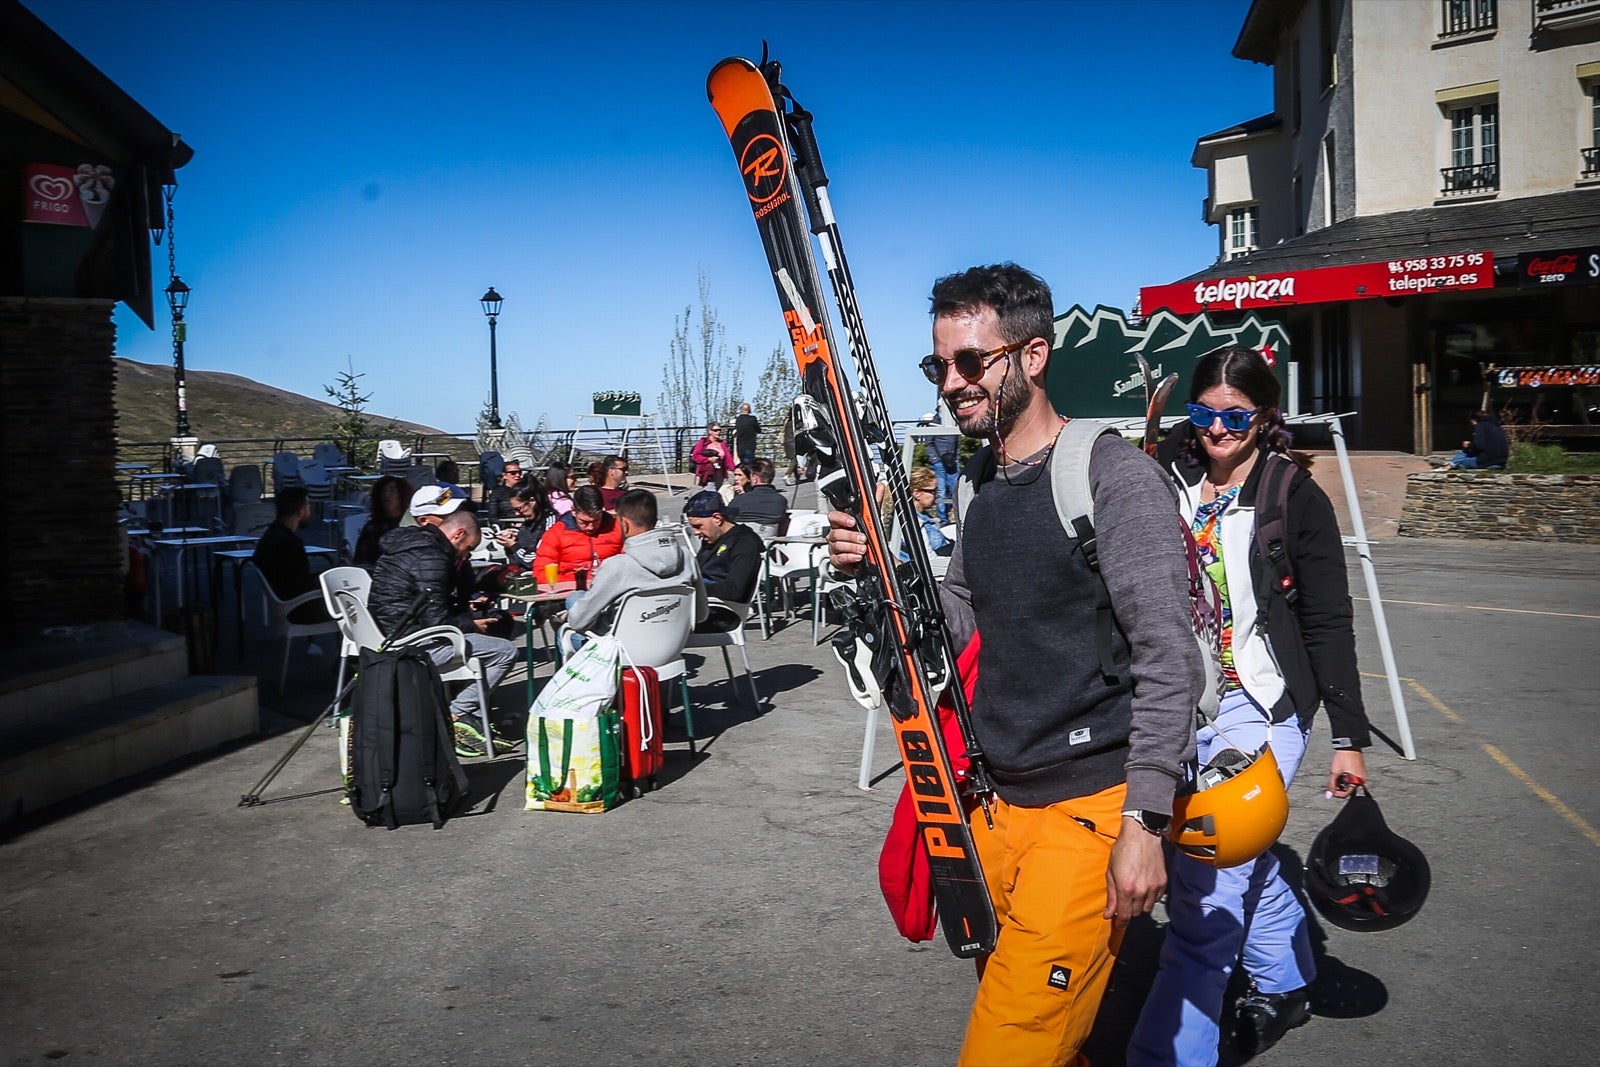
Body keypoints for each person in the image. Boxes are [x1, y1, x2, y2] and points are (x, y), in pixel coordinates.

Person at [826, 263, 1201, 1066]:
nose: (952, 383)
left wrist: (1145, 823)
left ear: (1033, 356)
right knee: (1046, 1030)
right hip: (995, 809)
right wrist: (882, 573)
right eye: (939, 366)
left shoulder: (1111, 476)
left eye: (971, 362)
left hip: (1090, 813)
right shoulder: (983, 478)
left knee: (1005, 1049)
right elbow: (962, 614)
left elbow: (1170, 656)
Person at [1129, 345, 1373, 1066]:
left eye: (1235, 415)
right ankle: (1289, 979)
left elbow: (1329, 621)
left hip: (1261, 707)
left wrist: (1349, 737)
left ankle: (1167, 1054)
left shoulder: (1293, 495)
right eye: (1203, 412)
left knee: (1203, 889)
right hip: (1179, 699)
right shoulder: (1165, 478)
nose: (1217, 428)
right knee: (1244, 858)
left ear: (1264, 416)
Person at [367, 505, 519, 757]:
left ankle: (472, 718)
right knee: (505, 651)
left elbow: (427, 603)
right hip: (413, 644)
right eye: (468, 548)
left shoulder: (407, 543)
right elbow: (437, 621)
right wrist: (472, 624)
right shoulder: (433, 557)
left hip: (385, 633)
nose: (465, 556)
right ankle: (457, 713)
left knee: (482, 642)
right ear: (458, 534)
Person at [564, 489, 694, 645]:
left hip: (622, 650)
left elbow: (578, 622)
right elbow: (699, 615)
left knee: (572, 612)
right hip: (671, 647)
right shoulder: (686, 557)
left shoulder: (617, 566)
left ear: (624, 524)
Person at [684, 490, 764, 632]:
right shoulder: (713, 538)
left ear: (717, 518)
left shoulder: (745, 543)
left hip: (725, 614)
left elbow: (735, 590)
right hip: (702, 606)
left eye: (698, 526)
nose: (695, 532)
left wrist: (693, 589)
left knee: (658, 625)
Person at [251, 486, 332, 625]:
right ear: (301, 512)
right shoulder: (290, 543)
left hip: (282, 604)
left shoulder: (270, 536)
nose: (309, 511)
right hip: (299, 608)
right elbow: (302, 582)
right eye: (308, 506)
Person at [532, 484, 624, 583]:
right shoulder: (556, 533)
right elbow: (541, 573)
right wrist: (579, 582)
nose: (591, 527)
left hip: (611, 585)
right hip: (571, 589)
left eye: (596, 520)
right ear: (573, 512)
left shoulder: (617, 528)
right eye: (584, 522)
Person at [352, 474, 413, 569]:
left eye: (392, 490)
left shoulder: (412, 524)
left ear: (402, 495)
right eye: (383, 491)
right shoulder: (372, 528)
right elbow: (361, 560)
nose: (386, 495)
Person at [496, 480, 559, 570]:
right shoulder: (529, 522)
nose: (517, 514)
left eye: (519, 509)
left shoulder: (552, 524)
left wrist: (513, 546)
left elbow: (535, 560)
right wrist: (512, 538)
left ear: (532, 501)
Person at [897, 466, 952, 562]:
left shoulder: (924, 516)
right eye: (933, 491)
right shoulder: (912, 522)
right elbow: (928, 559)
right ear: (917, 493)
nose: (937, 495)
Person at [729, 457, 787, 538]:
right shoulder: (781, 501)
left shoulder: (740, 499)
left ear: (755, 479)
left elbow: (726, 521)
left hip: (741, 543)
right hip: (768, 544)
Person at [923, 406, 962, 524]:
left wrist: (956, 459)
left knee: (955, 489)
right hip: (939, 462)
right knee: (941, 491)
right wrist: (935, 460)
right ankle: (944, 520)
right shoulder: (934, 424)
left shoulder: (954, 423)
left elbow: (957, 443)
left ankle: (956, 516)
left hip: (952, 463)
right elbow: (929, 443)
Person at [1443, 410, 1509, 470]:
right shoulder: (1497, 426)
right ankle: (1451, 463)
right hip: (1501, 462)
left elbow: (1479, 445)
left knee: (1464, 457)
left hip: (1489, 462)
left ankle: (1450, 465)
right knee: (1468, 452)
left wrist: (1469, 445)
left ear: (1474, 420)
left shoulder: (1481, 425)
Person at [691, 422, 734, 490]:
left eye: (720, 430)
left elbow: (728, 458)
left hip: (720, 473)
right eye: (715, 430)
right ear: (710, 431)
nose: (718, 432)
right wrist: (708, 459)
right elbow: (695, 456)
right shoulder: (703, 442)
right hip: (707, 473)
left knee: (719, 492)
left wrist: (733, 469)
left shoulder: (722, 443)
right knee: (710, 493)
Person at [483, 458, 525, 524]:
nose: (518, 475)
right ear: (504, 475)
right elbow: (492, 517)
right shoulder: (497, 493)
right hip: (507, 525)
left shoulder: (526, 490)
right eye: (513, 473)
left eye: (519, 472)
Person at [734, 402, 761, 466]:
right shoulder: (752, 419)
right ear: (749, 410)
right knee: (749, 465)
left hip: (740, 446)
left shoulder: (738, 419)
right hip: (749, 445)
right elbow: (758, 430)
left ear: (741, 409)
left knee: (742, 464)